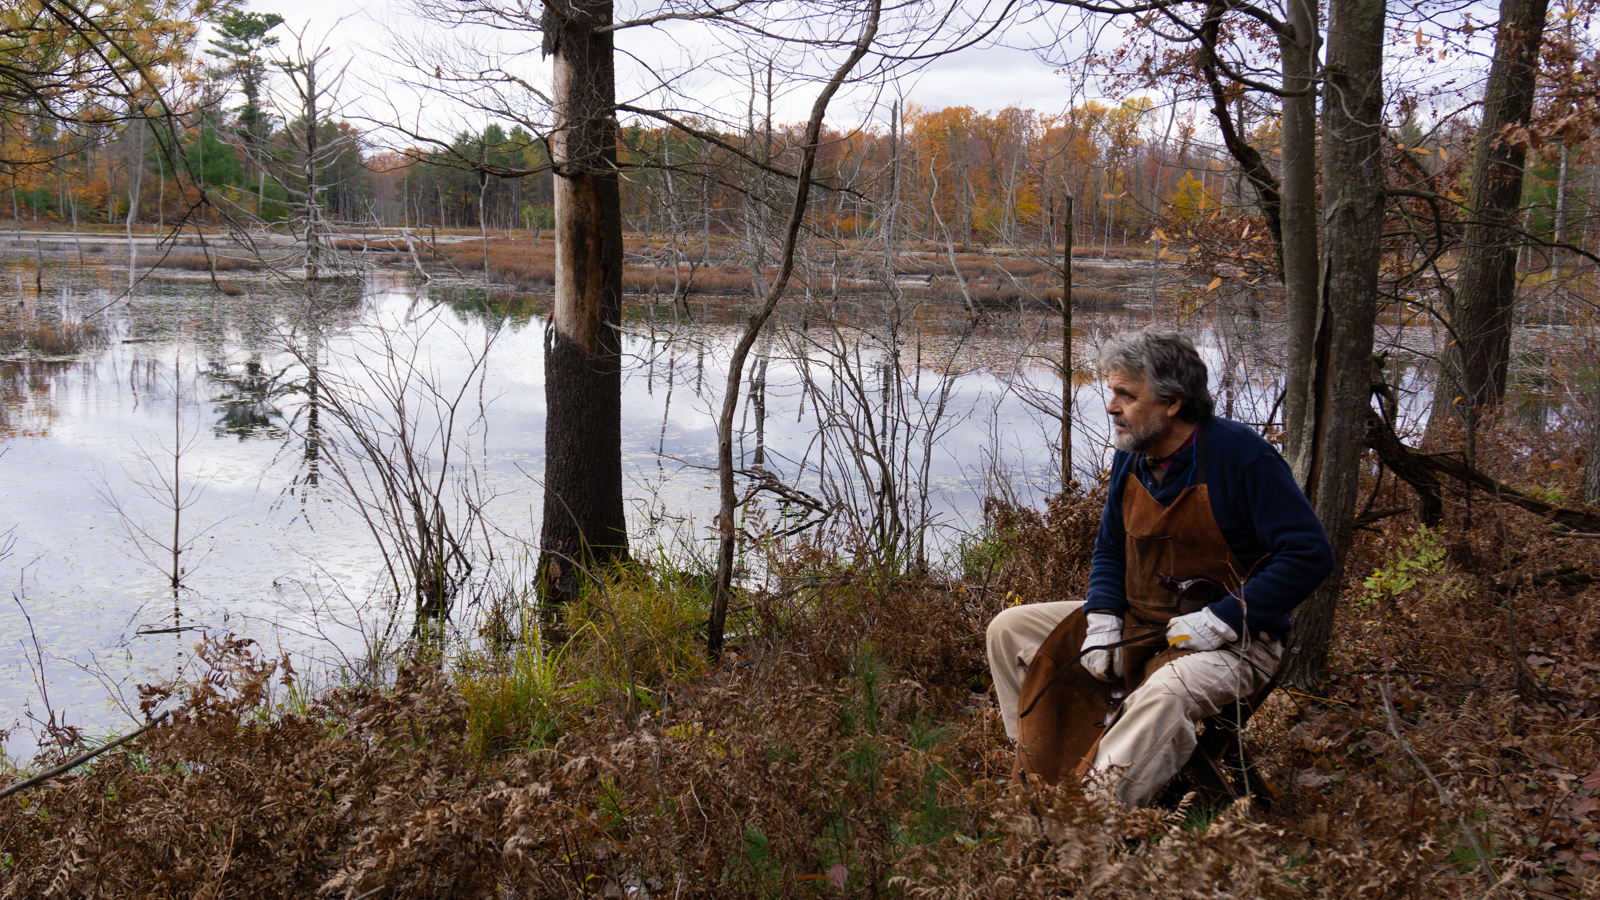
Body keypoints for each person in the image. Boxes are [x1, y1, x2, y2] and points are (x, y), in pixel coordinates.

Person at [987, 325, 1334, 808]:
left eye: (1126, 395)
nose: (1111, 407)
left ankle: (1085, 824)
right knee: (1009, 629)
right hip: (1140, 622)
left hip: (1241, 643)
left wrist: (1223, 619)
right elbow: (1110, 548)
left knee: (1167, 692)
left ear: (1172, 402)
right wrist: (1105, 617)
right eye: (1112, 392)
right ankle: (1036, 773)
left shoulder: (1241, 457)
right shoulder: (1133, 458)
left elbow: (1310, 554)